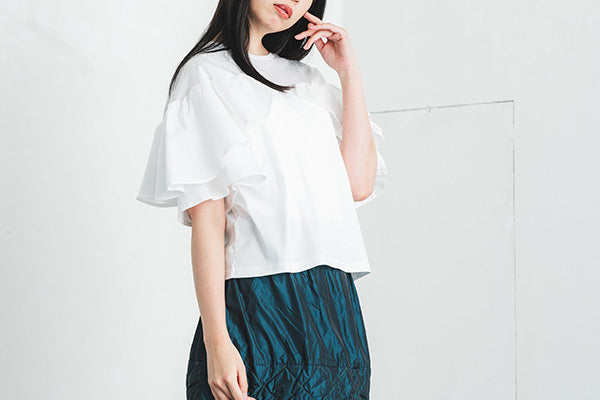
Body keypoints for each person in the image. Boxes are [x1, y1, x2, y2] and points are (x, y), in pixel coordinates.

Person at [136, 0, 388, 399]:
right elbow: (208, 221)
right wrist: (217, 343)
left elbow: (357, 183)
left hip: (335, 310)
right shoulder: (206, 74)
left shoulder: (307, 83)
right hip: (261, 304)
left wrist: (347, 72)